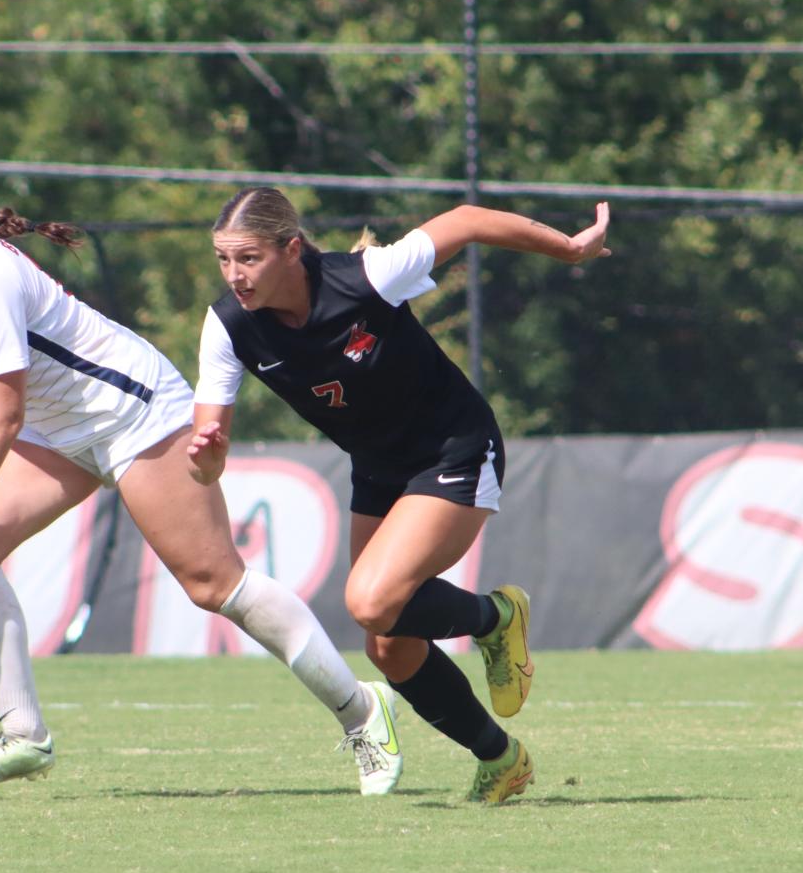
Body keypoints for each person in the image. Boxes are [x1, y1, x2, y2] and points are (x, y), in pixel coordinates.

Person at [0, 147, 404, 793]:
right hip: (59, 429)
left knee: (213, 585)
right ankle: (22, 735)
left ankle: (361, 712)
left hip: (133, 413)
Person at [188, 187, 611, 804]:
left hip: (453, 449)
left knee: (370, 599)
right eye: (224, 259)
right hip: (379, 468)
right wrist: (208, 462)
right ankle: (501, 758)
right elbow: (208, 450)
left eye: (248, 258)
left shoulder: (368, 278)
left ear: (291, 249)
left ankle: (497, 618)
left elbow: (466, 220)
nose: (235, 275)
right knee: (387, 643)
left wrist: (569, 249)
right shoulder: (228, 326)